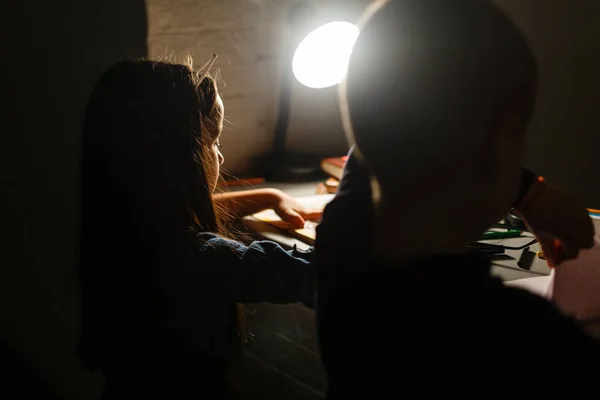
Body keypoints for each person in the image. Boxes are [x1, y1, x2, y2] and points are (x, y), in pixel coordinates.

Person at [315, 0, 600, 397]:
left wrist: (530, 192)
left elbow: (386, 135)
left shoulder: (339, 246)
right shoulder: (523, 336)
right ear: (504, 142)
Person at [78, 57, 318, 399]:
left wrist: (268, 196)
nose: (220, 157)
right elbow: (308, 274)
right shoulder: (200, 259)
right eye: (213, 142)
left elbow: (182, 212)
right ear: (177, 156)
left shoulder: (124, 223)